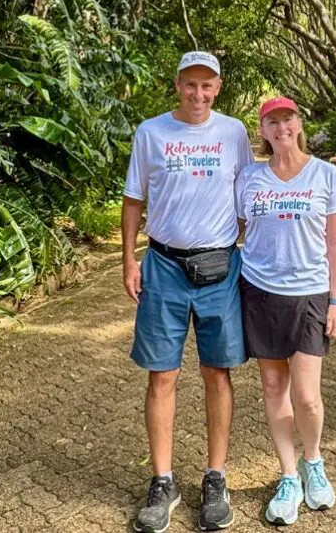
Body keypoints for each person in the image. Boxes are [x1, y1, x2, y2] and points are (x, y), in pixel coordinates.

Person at [122, 51, 254, 533]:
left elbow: (246, 194)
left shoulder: (234, 132)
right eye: (190, 85)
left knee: (217, 373)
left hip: (221, 268)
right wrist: (127, 258)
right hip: (163, 267)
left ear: (218, 87)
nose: (198, 94)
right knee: (162, 376)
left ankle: (214, 477)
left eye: (208, 86)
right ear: (177, 84)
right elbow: (134, 197)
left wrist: (249, 253)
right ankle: (162, 481)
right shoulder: (151, 132)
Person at [235, 97, 336, 526]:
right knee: (272, 387)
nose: (281, 127)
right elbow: (237, 229)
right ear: (262, 131)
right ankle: (287, 475)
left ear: (299, 123)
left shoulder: (325, 174)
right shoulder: (250, 177)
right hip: (260, 292)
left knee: (307, 396)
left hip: (311, 294)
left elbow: (335, 244)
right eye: (272, 121)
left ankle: (313, 463)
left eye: (287, 119)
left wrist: (335, 301)